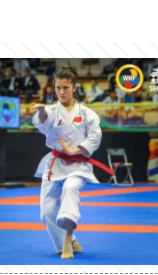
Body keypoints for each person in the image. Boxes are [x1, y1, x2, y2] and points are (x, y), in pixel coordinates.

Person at [30, 66, 114, 260]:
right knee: (46, 212)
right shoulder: (51, 111)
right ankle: (68, 241)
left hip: (78, 164)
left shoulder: (87, 114)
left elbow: (95, 137)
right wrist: (41, 110)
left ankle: (68, 238)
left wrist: (75, 151)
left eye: (65, 87)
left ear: (74, 87)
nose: (61, 92)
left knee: (70, 187)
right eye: (58, 87)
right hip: (55, 163)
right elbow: (43, 123)